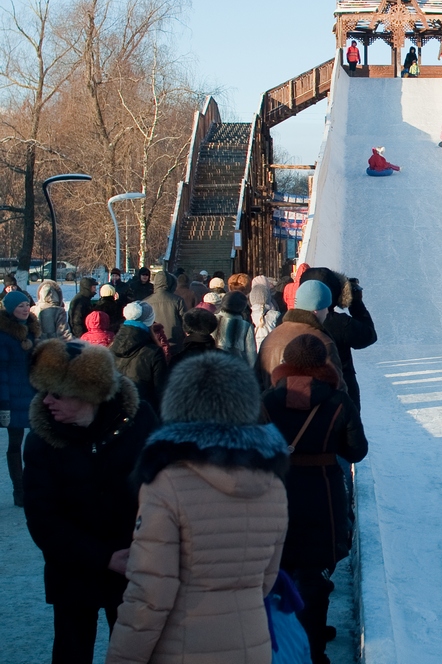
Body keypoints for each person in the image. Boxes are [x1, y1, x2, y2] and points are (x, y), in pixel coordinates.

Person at [105, 352, 288, 664]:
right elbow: (265, 580)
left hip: (182, 646)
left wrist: (122, 658)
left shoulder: (166, 484)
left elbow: (150, 593)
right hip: (252, 643)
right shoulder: (272, 485)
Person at [23, 339, 157, 663]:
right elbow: (42, 519)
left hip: (132, 563)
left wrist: (146, 549)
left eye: (57, 393)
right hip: (72, 569)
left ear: (87, 393)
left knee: (131, 654)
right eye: (43, 391)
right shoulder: (42, 439)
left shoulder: (138, 421)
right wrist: (102, 557)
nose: (46, 401)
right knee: (71, 651)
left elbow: (162, 494)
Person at [263, 335, 368, 664]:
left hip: (275, 495)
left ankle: (281, 640)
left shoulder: (266, 400)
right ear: (323, 363)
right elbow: (357, 450)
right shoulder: (338, 401)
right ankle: (313, 647)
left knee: (276, 569)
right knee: (314, 574)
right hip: (323, 495)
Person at [302, 268, 378, 409]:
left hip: (299, 395)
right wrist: (356, 303)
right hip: (340, 395)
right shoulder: (339, 323)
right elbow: (368, 336)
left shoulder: (285, 322)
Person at [257, 279, 344, 390]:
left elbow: (256, 383)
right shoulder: (321, 342)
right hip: (312, 406)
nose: (327, 312)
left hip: (271, 405)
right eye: (325, 307)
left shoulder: (271, 338)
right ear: (316, 309)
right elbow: (338, 389)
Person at [0, 291, 39, 507]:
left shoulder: (33, 331)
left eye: (27, 304)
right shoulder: (4, 335)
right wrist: (4, 404)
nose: (26, 309)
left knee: (36, 442)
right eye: (21, 306)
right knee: (15, 442)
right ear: (10, 308)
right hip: (13, 397)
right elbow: (1, 373)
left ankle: (34, 484)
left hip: (33, 394)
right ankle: (19, 490)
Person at [110, 301, 169, 412]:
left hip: (116, 412)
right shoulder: (153, 352)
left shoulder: (112, 347)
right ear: (150, 321)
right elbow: (161, 391)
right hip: (146, 413)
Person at [146, 270, 186, 355]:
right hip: (175, 341)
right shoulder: (178, 300)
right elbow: (185, 322)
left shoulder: (146, 302)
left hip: (154, 342)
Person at [215, 290, 258, 366]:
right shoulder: (246, 326)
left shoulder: (212, 319)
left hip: (213, 365)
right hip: (235, 369)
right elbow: (251, 355)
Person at [249, 282, 280, 350]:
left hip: (253, 352)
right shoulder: (276, 315)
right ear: (268, 298)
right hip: (271, 352)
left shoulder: (248, 315)